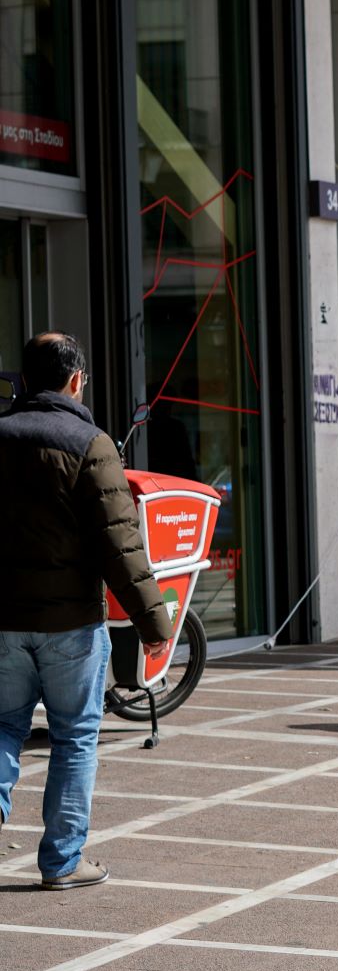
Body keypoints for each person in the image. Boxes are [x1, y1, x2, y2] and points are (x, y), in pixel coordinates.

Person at [0, 333, 174, 889]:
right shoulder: (91, 443)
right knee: (75, 736)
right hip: (71, 624)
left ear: (24, 379)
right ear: (75, 381)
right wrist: (153, 625)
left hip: (2, 621)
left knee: (2, 728)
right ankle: (63, 861)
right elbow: (120, 545)